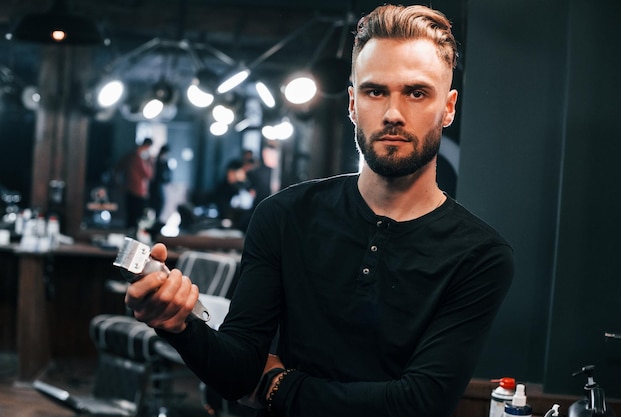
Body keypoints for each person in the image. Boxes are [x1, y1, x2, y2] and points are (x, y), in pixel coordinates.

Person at [125, 5, 514, 417]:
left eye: (416, 92)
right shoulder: (283, 216)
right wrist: (179, 326)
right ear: (352, 102)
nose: (393, 113)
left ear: (448, 108)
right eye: (375, 91)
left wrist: (279, 387)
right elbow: (238, 372)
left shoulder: (480, 256)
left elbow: (418, 404)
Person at [116, 138, 154, 229]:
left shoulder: (130, 156)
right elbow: (148, 174)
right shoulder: (139, 158)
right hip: (138, 191)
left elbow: (118, 168)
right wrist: (149, 161)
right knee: (136, 218)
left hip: (130, 189)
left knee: (131, 216)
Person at [149, 144, 172, 222]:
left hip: (160, 186)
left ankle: (157, 221)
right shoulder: (155, 162)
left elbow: (168, 176)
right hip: (155, 187)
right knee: (156, 204)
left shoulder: (164, 163)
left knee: (159, 205)